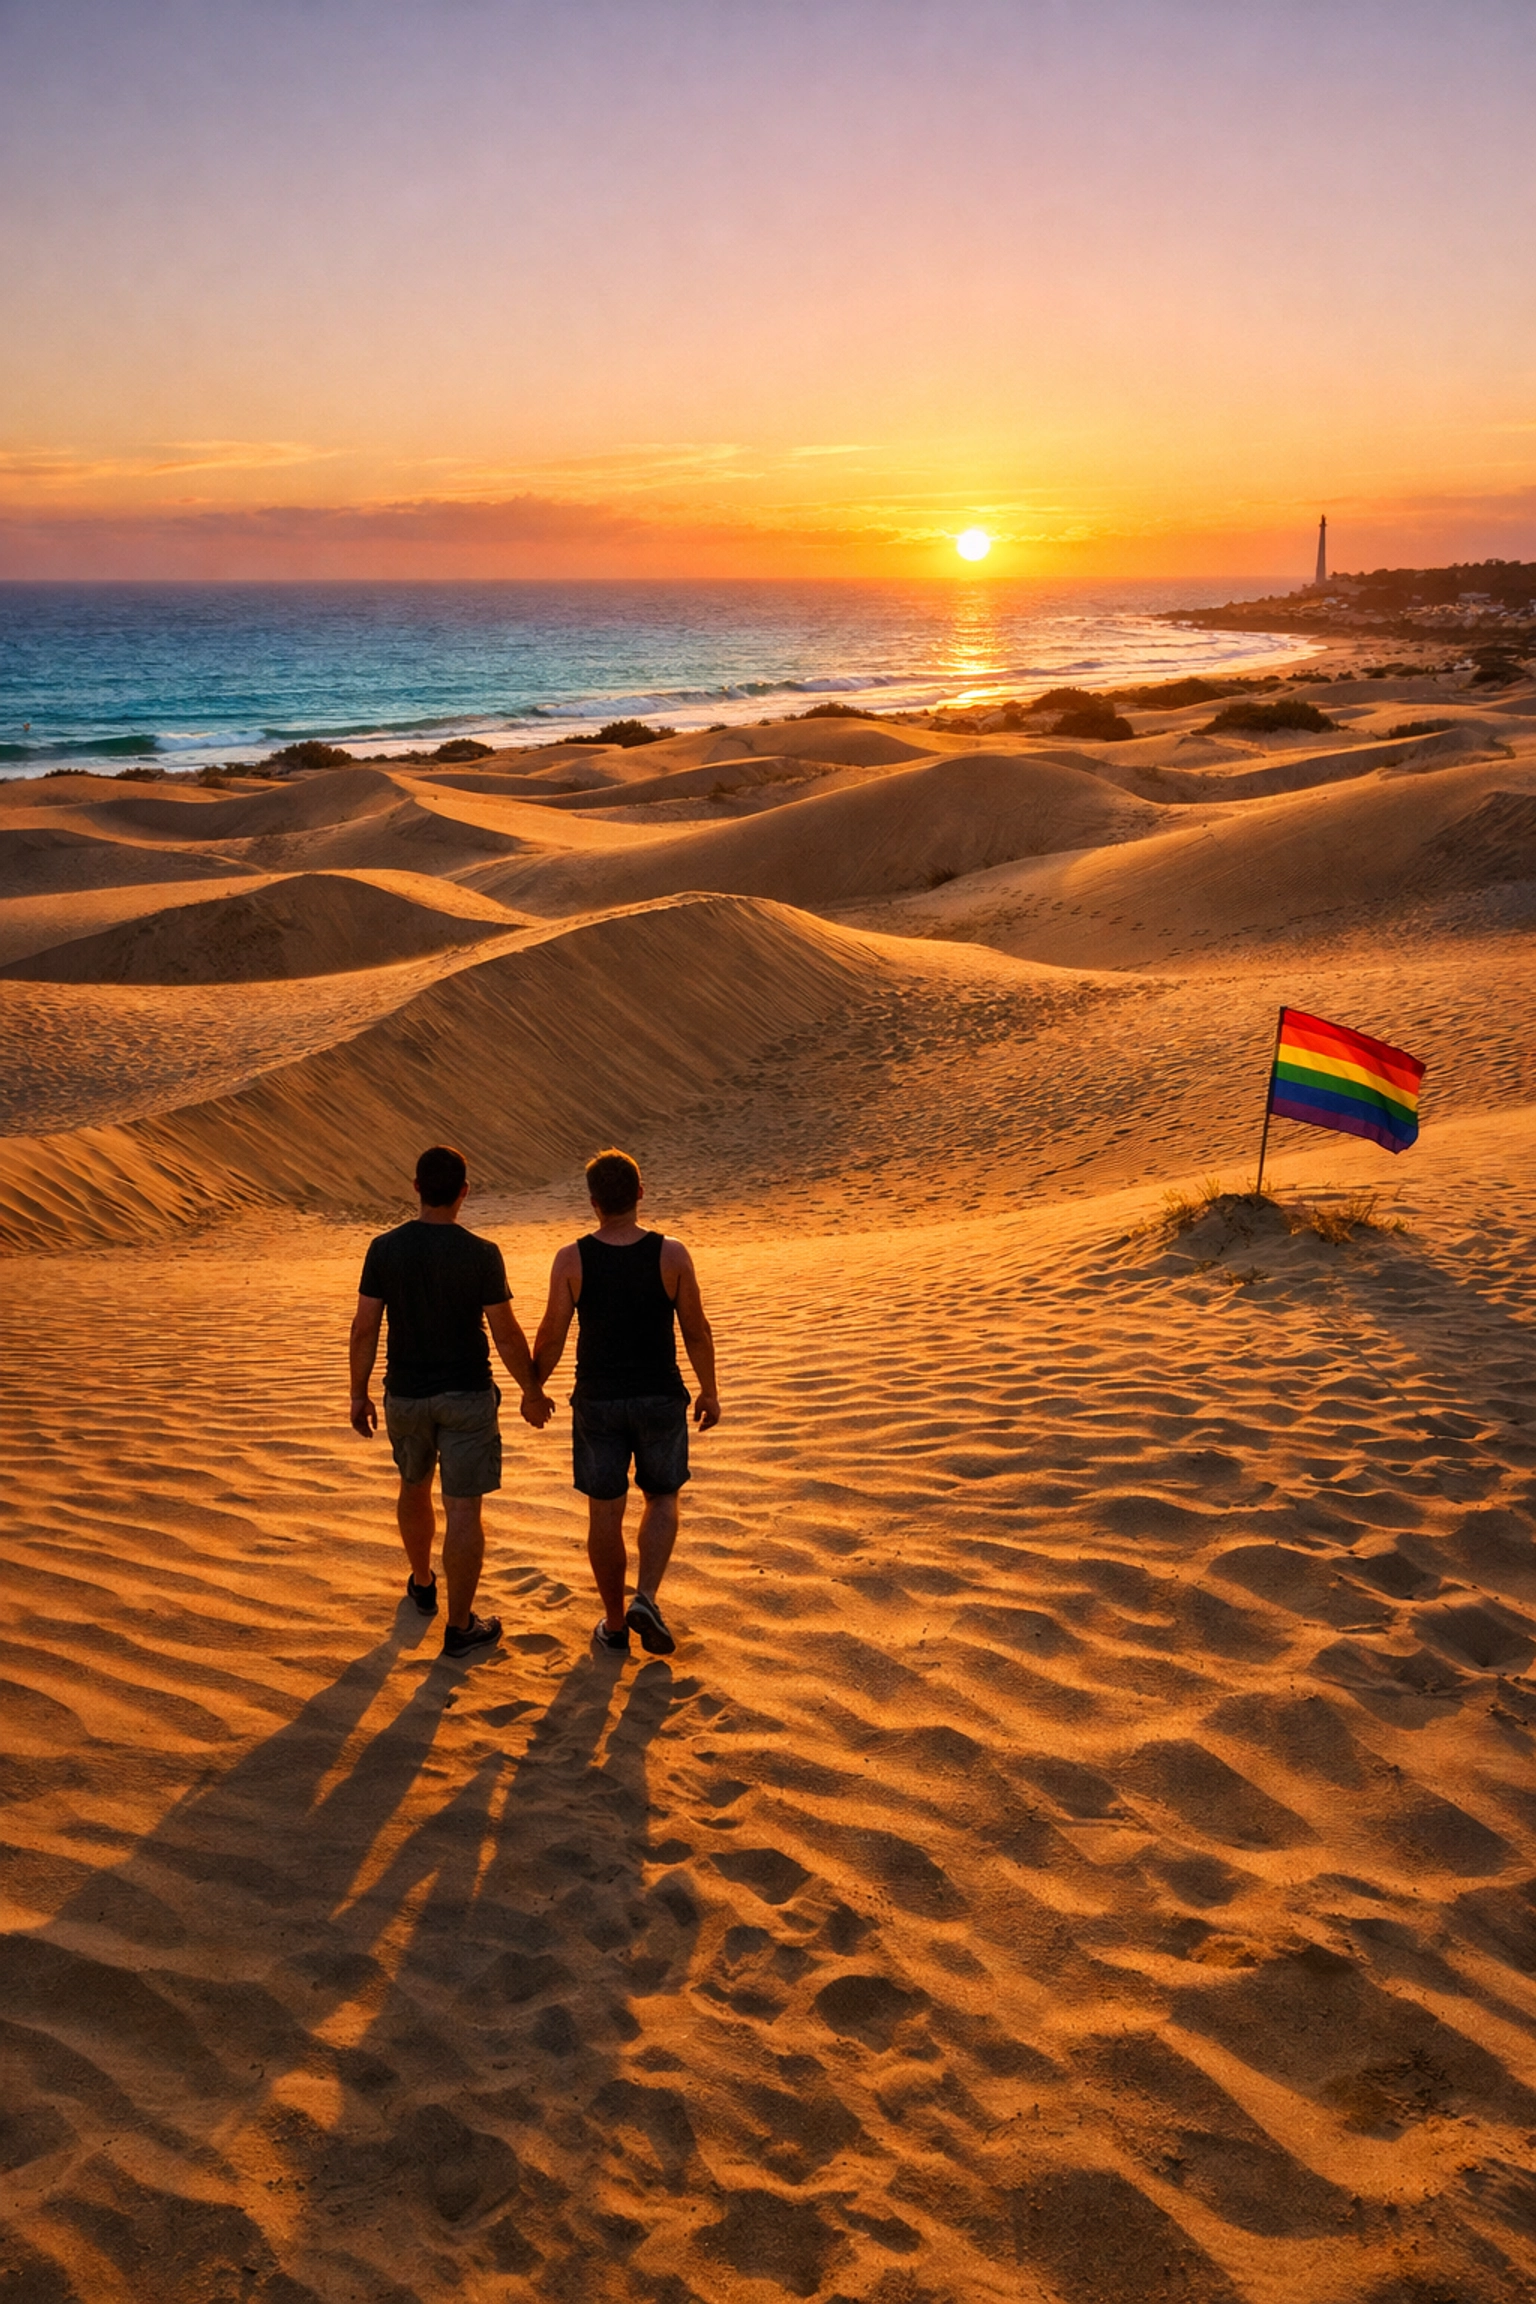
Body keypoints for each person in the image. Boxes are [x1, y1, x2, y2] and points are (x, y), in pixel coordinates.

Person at [350, 1144, 552, 1659]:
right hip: (466, 1396)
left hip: (406, 1396)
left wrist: (358, 1394)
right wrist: (532, 1390)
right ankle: (459, 1628)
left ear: (416, 1188)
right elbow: (506, 1335)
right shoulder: (481, 1253)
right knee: (464, 1510)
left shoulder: (384, 1249)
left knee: (413, 1487)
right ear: (464, 1192)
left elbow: (365, 1327)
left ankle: (422, 1584)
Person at [533, 1149, 720, 1658]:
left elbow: (551, 1334)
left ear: (593, 1202)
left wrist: (533, 1388)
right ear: (639, 1193)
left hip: (598, 1402)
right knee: (661, 1497)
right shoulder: (672, 1254)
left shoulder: (572, 1259)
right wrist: (709, 1389)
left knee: (605, 1512)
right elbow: (696, 1330)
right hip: (660, 1396)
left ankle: (615, 1625)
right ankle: (648, 1598)